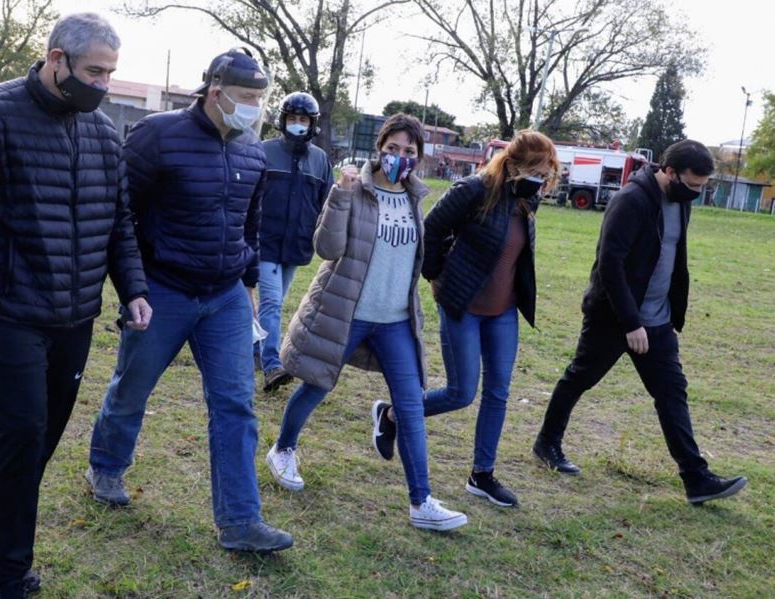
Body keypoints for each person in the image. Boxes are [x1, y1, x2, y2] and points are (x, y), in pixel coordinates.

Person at [0, 13, 151, 599]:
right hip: (8, 310)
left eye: (111, 74)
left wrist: (134, 289)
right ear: (56, 60)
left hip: (74, 316)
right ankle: (10, 575)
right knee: (23, 429)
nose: (103, 84)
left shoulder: (102, 132)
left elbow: (118, 221)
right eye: (95, 71)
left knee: (39, 436)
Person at [85, 48, 293, 552]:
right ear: (216, 93)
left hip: (223, 298)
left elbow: (249, 226)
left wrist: (246, 291)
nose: (255, 109)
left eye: (261, 99)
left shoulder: (251, 150)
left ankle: (241, 522)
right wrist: (133, 287)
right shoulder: (157, 135)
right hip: (162, 292)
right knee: (132, 388)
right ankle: (106, 467)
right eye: (247, 98)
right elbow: (121, 215)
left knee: (235, 406)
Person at [266, 113, 468, 531]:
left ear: (420, 157)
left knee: (411, 406)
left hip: (395, 321)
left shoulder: (415, 197)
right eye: (393, 149)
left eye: (409, 151)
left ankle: (421, 502)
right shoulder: (355, 189)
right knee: (317, 383)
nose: (400, 157)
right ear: (379, 150)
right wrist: (339, 196)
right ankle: (282, 449)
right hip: (348, 310)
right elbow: (326, 247)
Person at [532, 139, 748, 505]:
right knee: (581, 377)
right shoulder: (630, 201)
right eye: (691, 184)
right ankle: (546, 444)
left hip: (658, 320)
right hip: (614, 317)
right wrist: (631, 322)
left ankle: (696, 478)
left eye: (701, 187)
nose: (695, 193)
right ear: (669, 171)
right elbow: (610, 264)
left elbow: (672, 254)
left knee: (671, 391)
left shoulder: (680, 203)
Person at [371, 130, 558, 509]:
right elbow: (432, 231)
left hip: (503, 312)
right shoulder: (473, 190)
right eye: (537, 170)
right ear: (513, 165)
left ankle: (482, 474)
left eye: (548, 170)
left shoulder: (526, 200)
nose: (543, 177)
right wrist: (440, 278)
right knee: (461, 392)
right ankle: (391, 414)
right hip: (463, 306)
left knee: (498, 392)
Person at [256, 92, 333, 392]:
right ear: (282, 121)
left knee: (276, 302)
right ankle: (273, 365)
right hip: (264, 242)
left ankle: (256, 345)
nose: (297, 124)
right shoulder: (263, 151)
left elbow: (327, 203)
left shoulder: (320, 160)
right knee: (272, 303)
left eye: (303, 120)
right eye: (292, 118)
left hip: (297, 246)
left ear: (312, 124)